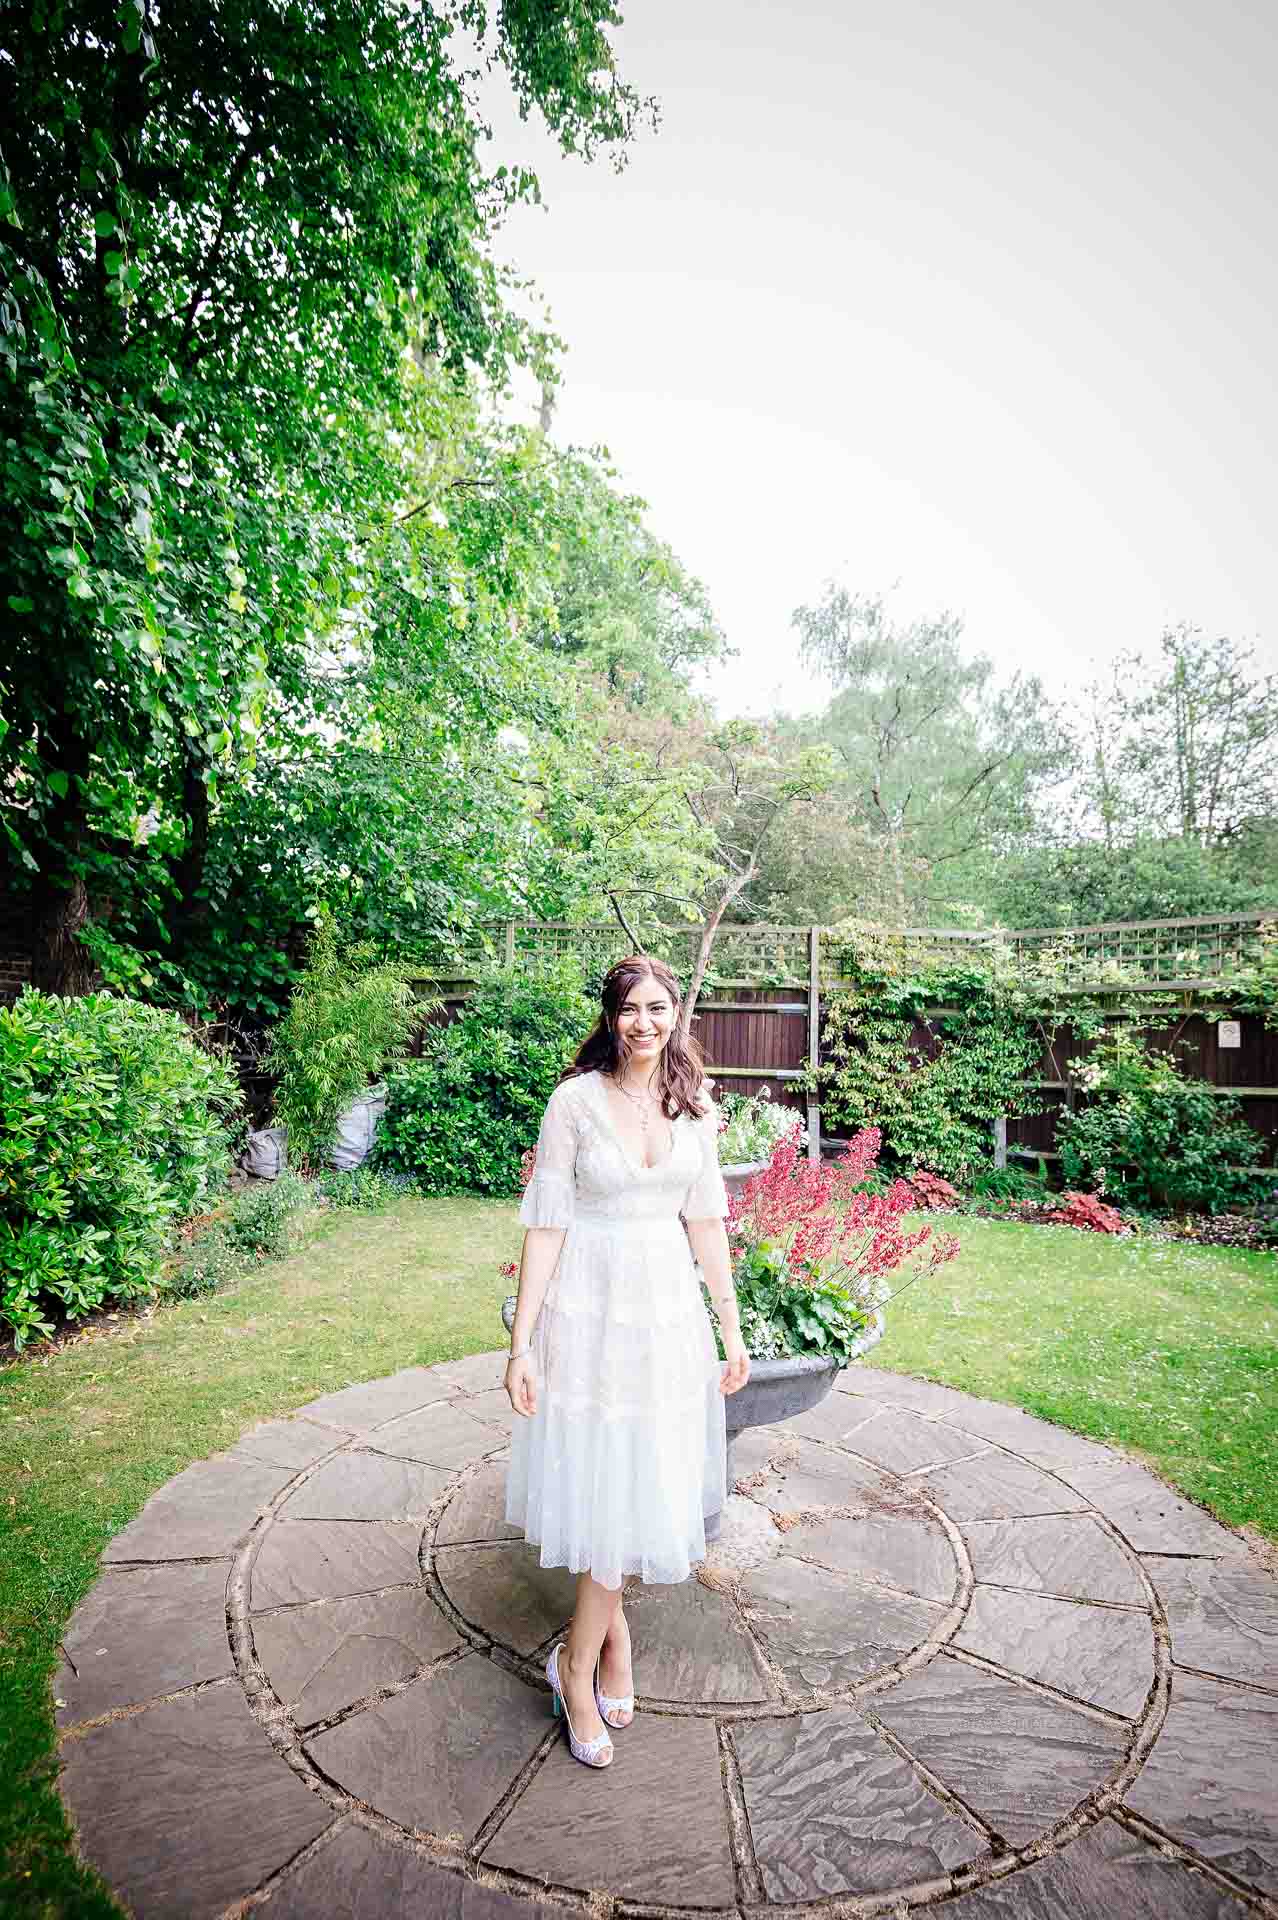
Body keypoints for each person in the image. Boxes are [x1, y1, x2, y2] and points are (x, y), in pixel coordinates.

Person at [502, 953, 750, 1768]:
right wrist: (523, 1342)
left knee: (638, 1475)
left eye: (659, 1007)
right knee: (605, 1478)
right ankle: (580, 1666)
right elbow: (546, 1223)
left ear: (677, 1014)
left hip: (666, 1314)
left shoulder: (695, 1104)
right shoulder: (574, 1102)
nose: (645, 1022)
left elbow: (706, 1220)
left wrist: (731, 1327)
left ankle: (606, 1644)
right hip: (589, 1312)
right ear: (611, 1019)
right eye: (630, 1009)